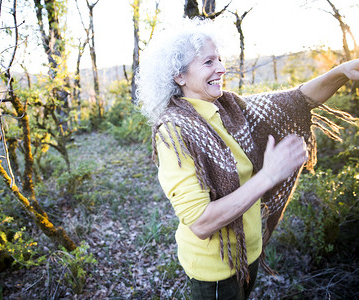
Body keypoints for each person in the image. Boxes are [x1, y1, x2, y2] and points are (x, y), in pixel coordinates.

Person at [135, 18, 359, 299]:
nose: (221, 68)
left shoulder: (229, 109)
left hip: (249, 253)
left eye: (219, 59)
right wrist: (268, 176)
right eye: (208, 62)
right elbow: (201, 223)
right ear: (179, 76)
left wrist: (341, 72)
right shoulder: (175, 132)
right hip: (215, 272)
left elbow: (298, 101)